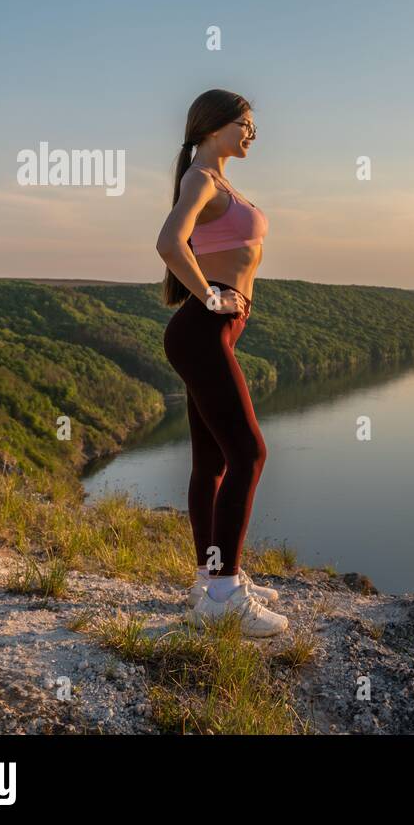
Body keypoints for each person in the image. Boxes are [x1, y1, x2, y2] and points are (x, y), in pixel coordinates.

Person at [155, 88, 286, 637]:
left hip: (213, 334)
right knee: (249, 452)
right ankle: (224, 593)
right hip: (202, 330)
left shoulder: (217, 181)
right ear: (213, 127)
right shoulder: (203, 180)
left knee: (211, 462)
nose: (251, 133)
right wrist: (210, 296)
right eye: (244, 124)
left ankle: (210, 577)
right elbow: (168, 242)